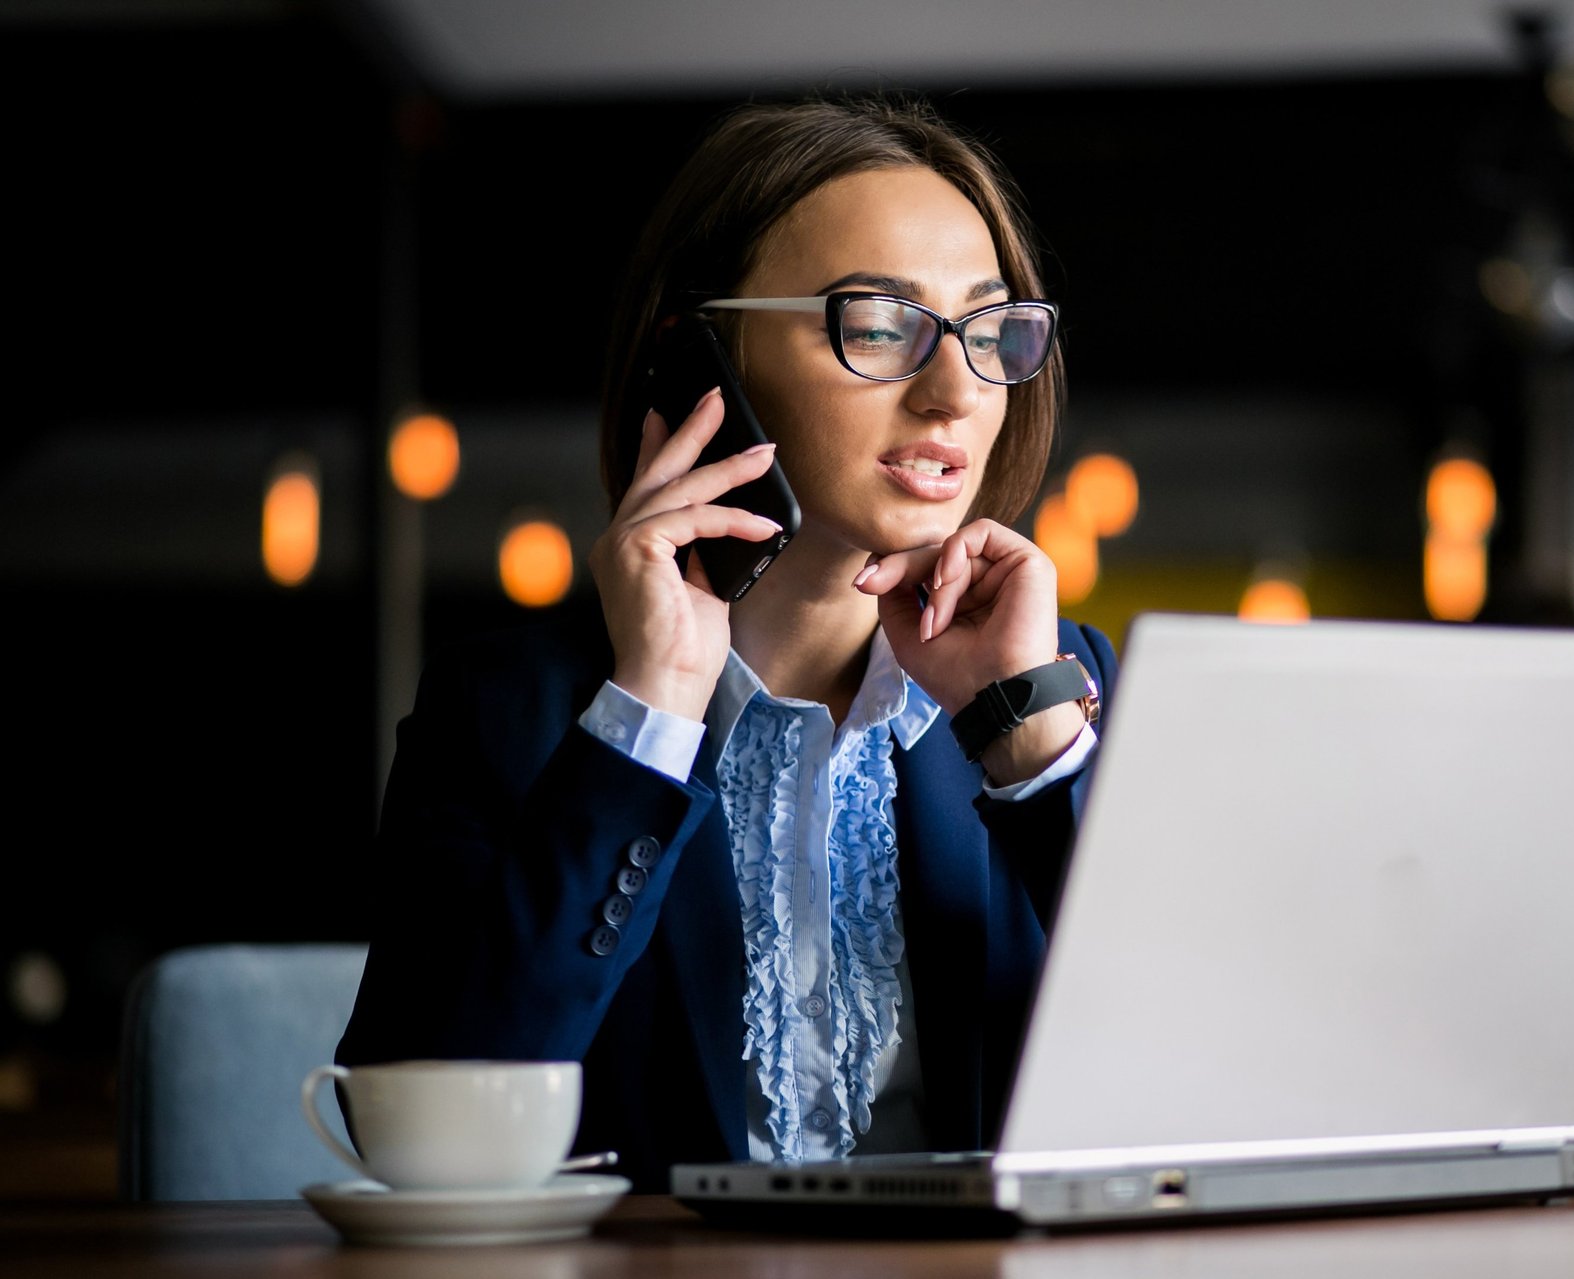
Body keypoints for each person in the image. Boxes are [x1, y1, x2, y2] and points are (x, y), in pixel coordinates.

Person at [337, 95, 1116, 1193]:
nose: (955, 394)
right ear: (698, 360)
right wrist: (648, 714)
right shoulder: (515, 708)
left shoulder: (1064, 683)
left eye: (990, 332)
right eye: (881, 325)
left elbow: (1219, 1073)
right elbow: (419, 1141)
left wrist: (1029, 749)